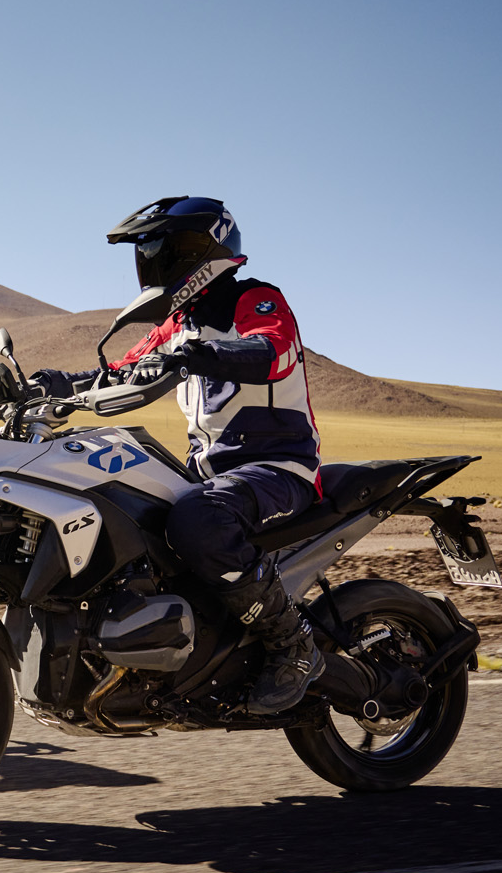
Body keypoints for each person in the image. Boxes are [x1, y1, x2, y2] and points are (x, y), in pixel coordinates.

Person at [31, 196, 325, 715]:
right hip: (208, 474)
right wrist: (53, 383)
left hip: (279, 468)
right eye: (146, 251)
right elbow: (120, 370)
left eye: (162, 249)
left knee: (197, 519)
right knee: (124, 507)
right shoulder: (177, 322)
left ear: (200, 251)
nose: (150, 261)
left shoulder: (254, 300)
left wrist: (199, 353)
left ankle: (293, 643)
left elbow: (275, 351)